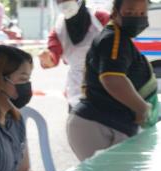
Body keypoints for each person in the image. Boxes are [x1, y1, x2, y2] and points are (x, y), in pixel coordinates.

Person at [67, 0, 157, 161]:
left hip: (109, 123)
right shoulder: (113, 39)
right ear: (115, 13)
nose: (137, 17)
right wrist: (141, 107)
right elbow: (112, 78)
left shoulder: (121, 39)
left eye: (142, 13)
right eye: (130, 12)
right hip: (98, 124)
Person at [39, 0, 109, 111]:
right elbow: (53, 57)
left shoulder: (101, 18)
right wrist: (47, 59)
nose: (63, 3)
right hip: (77, 92)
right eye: (59, 1)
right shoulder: (58, 29)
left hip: (106, 86)